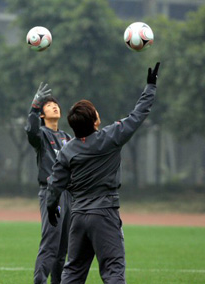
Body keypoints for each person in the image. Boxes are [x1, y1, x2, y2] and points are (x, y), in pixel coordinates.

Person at [46, 62, 160, 283]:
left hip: (78, 217)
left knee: (73, 271)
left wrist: (52, 209)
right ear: (95, 120)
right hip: (104, 214)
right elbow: (138, 115)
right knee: (113, 270)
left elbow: (55, 185)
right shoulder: (111, 138)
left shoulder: (67, 150)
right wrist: (151, 87)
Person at [25, 82, 73, 284]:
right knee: (50, 244)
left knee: (63, 248)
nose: (55, 106)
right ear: (42, 115)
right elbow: (31, 130)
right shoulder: (42, 135)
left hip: (70, 195)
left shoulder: (67, 137)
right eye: (49, 105)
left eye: (56, 105)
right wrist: (35, 106)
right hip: (52, 194)